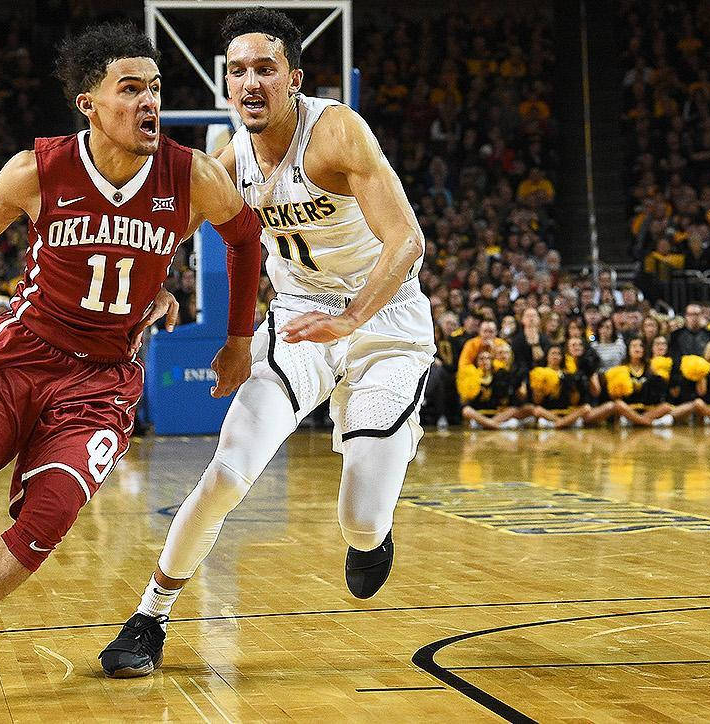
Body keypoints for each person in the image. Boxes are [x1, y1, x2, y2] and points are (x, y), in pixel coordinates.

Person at [0, 24, 262, 712]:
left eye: (156, 88)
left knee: (49, 515)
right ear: (89, 103)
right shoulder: (39, 169)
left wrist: (238, 338)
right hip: (21, 354)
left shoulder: (192, 176)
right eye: (131, 89)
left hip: (103, 381)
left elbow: (245, 239)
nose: (150, 101)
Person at [100, 8, 434, 679]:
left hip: (385, 323)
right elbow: (170, 227)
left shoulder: (336, 130)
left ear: (294, 79)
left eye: (265, 68)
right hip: (299, 321)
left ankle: (372, 527)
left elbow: (408, 242)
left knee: (362, 522)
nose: (250, 81)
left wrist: (352, 318)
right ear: (226, 85)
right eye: (238, 71)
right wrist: (161, 286)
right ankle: (150, 616)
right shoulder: (230, 159)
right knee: (227, 470)